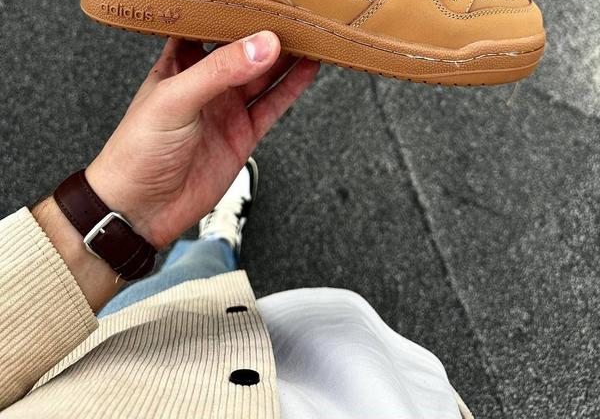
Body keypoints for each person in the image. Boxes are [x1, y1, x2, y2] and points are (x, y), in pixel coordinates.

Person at [0, 32, 472, 418]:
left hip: (128, 367)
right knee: (194, 285)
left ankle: (218, 238)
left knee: (193, 276)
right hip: (384, 394)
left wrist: (120, 210)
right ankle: (216, 240)